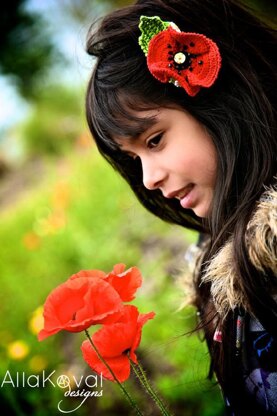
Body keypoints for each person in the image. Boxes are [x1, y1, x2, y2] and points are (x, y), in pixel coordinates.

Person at [85, 0, 277, 414]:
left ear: (221, 102)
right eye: (134, 158)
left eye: (154, 140)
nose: (148, 179)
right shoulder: (222, 245)